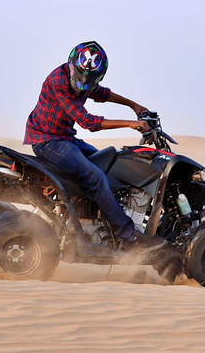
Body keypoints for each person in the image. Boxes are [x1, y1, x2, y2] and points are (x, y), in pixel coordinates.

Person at [23, 41, 166, 252]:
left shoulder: (88, 83)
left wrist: (133, 105)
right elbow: (88, 122)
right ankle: (129, 237)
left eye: (89, 79)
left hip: (66, 138)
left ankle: (98, 219)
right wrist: (130, 123)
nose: (83, 81)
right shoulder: (58, 81)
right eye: (80, 74)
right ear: (72, 65)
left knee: (112, 162)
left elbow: (102, 94)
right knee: (95, 176)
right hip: (47, 140)